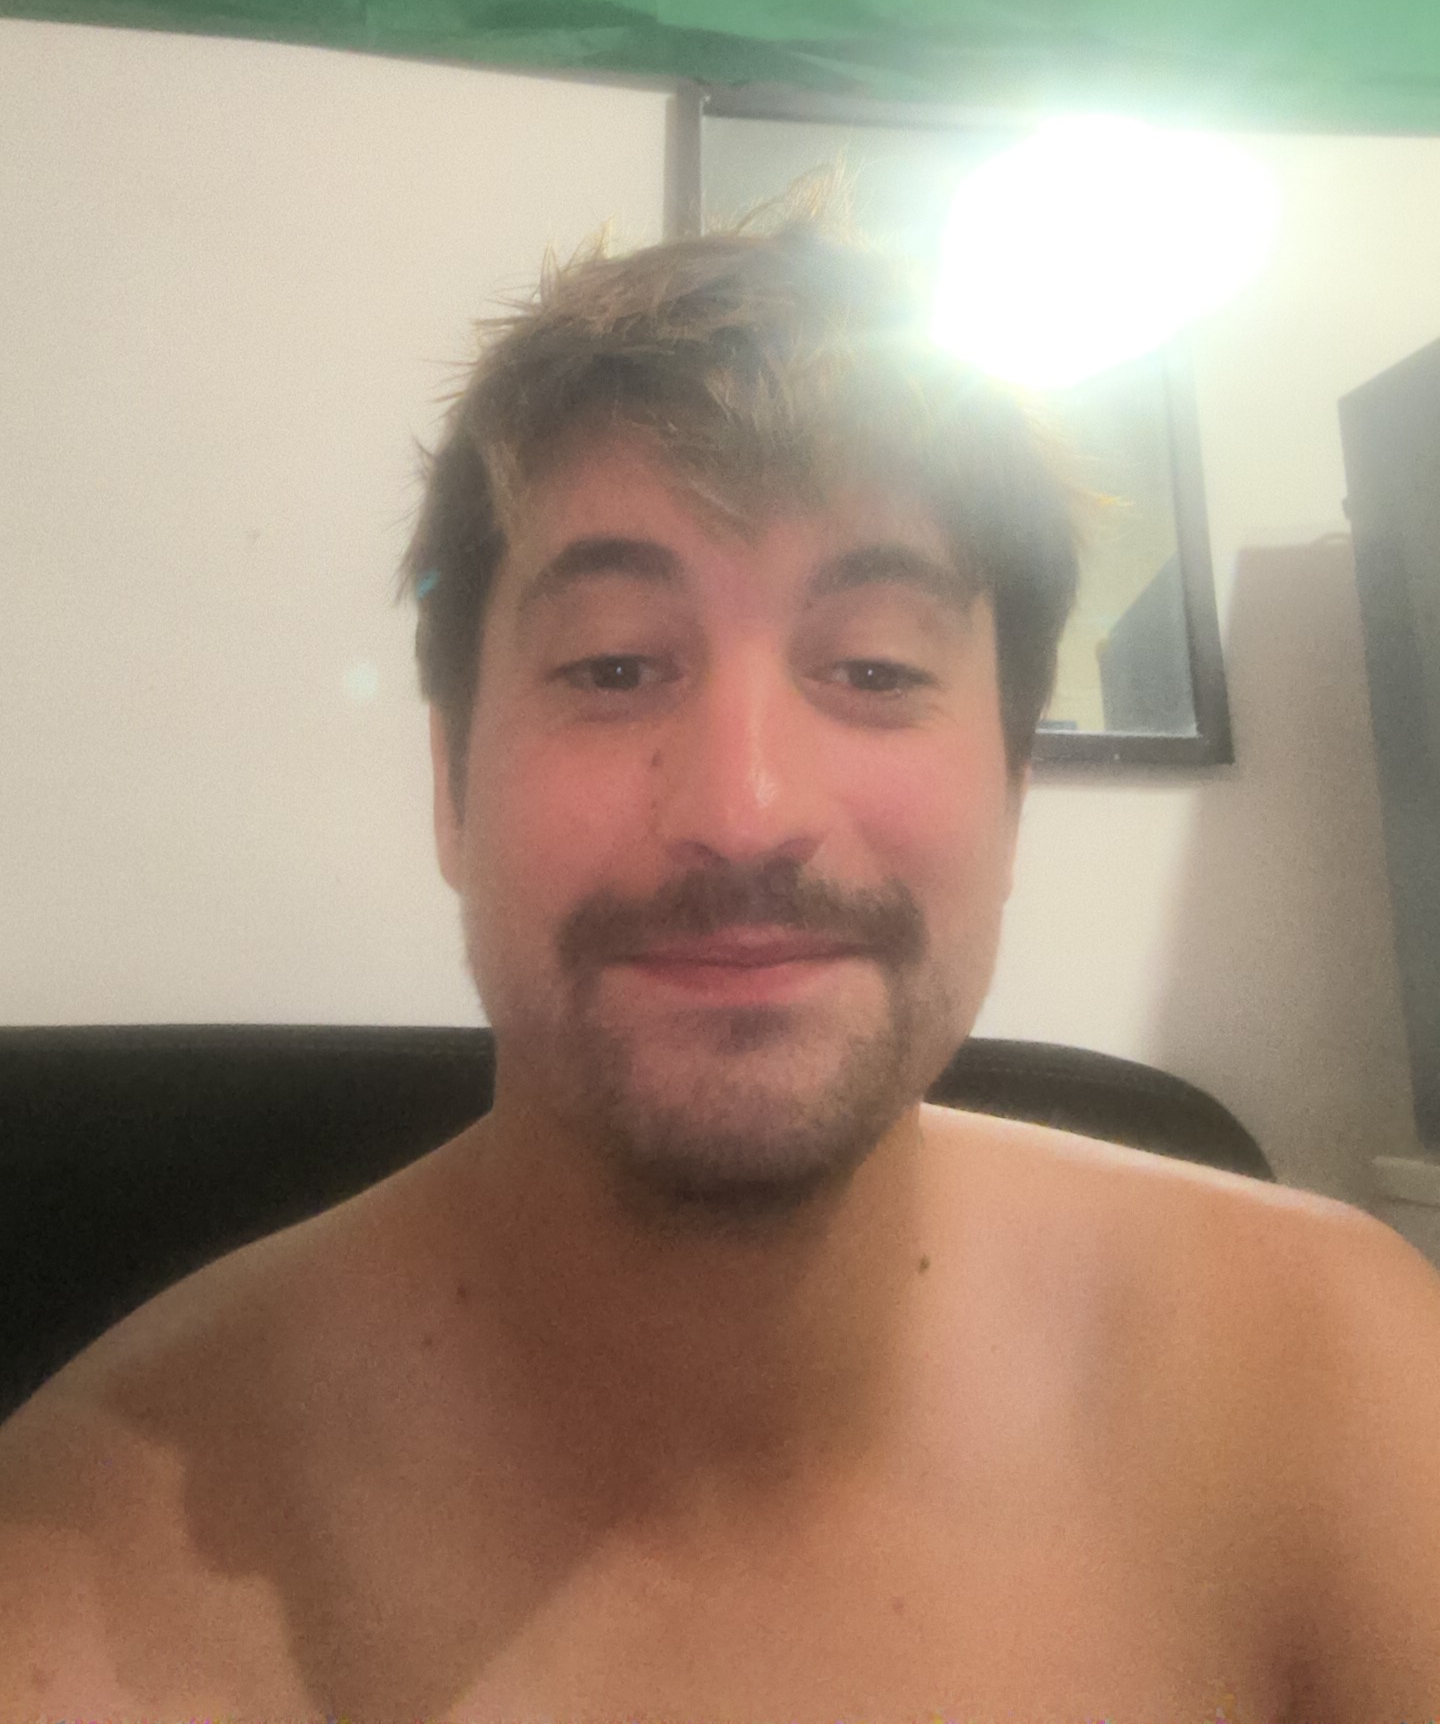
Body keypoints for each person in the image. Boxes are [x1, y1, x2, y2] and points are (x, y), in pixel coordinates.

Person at [1, 218, 1438, 1722]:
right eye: (614, 667)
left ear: (1012, 793)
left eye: (874, 669)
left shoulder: (1341, 1387)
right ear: (450, 787)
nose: (745, 810)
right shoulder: (84, 1584)